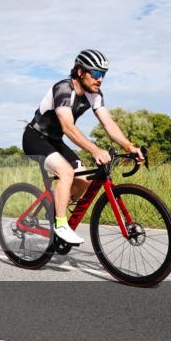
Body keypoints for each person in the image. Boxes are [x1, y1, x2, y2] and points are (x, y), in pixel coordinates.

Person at [22, 49, 144, 245]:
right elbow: (68, 128)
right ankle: (61, 224)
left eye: (104, 74)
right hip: (35, 139)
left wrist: (129, 146)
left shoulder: (94, 94)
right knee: (66, 173)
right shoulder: (64, 89)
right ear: (80, 72)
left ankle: (53, 211)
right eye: (96, 73)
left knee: (85, 181)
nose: (100, 79)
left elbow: (108, 124)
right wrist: (95, 150)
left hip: (55, 141)